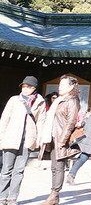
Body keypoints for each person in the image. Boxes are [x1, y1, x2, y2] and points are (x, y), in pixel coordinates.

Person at [0, 75, 46, 205]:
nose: (25, 89)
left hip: (27, 139)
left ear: (34, 88)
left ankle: (12, 198)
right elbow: (4, 119)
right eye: (24, 86)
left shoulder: (40, 102)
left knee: (19, 171)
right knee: (6, 170)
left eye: (28, 87)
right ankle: (2, 197)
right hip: (11, 137)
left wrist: (39, 138)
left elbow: (41, 121)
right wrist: (1, 137)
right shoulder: (14, 100)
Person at [38, 74, 81, 205]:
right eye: (59, 84)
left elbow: (71, 122)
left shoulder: (72, 100)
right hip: (53, 135)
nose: (60, 87)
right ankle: (54, 195)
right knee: (54, 167)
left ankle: (54, 195)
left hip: (61, 137)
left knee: (59, 167)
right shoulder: (60, 99)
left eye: (63, 85)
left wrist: (63, 140)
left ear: (72, 86)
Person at [67, 99, 91, 185]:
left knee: (82, 159)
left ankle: (71, 175)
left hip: (85, 140)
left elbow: (83, 125)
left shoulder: (90, 116)